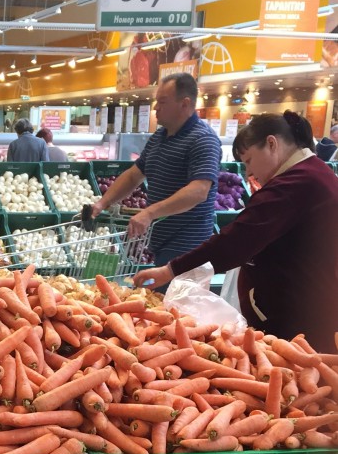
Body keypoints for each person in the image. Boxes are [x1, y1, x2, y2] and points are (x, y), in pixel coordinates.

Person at [133, 112, 338, 354]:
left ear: (272, 144)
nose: (249, 172)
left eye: (249, 160)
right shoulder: (312, 174)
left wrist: (170, 270)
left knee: (299, 378)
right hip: (308, 310)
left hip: (298, 321)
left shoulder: (295, 184)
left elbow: (236, 241)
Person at [92, 73, 221, 266]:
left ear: (185, 104)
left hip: (188, 248)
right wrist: (102, 203)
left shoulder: (203, 139)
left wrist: (150, 212)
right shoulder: (159, 137)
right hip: (159, 243)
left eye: (162, 102)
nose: (155, 107)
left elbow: (199, 191)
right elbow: (133, 176)